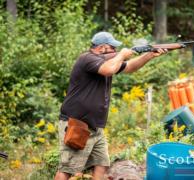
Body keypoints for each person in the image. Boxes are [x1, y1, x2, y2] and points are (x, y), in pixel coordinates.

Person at [54, 32, 167, 180]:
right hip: (77, 124)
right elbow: (108, 69)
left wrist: (149, 55)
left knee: (102, 164)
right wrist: (121, 55)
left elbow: (130, 67)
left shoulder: (107, 61)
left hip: (95, 127)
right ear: (102, 48)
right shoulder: (87, 59)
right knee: (67, 169)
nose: (115, 51)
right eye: (113, 48)